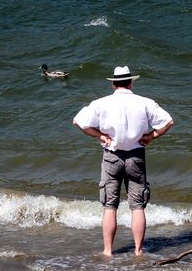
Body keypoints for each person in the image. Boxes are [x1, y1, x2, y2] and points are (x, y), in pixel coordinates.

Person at [72, 66, 174, 256]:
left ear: (113, 84)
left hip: (112, 156)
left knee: (110, 206)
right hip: (136, 155)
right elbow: (168, 121)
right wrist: (151, 136)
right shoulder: (145, 102)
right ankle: (138, 250)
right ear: (131, 83)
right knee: (137, 207)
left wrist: (99, 135)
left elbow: (78, 121)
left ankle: (108, 251)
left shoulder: (101, 103)